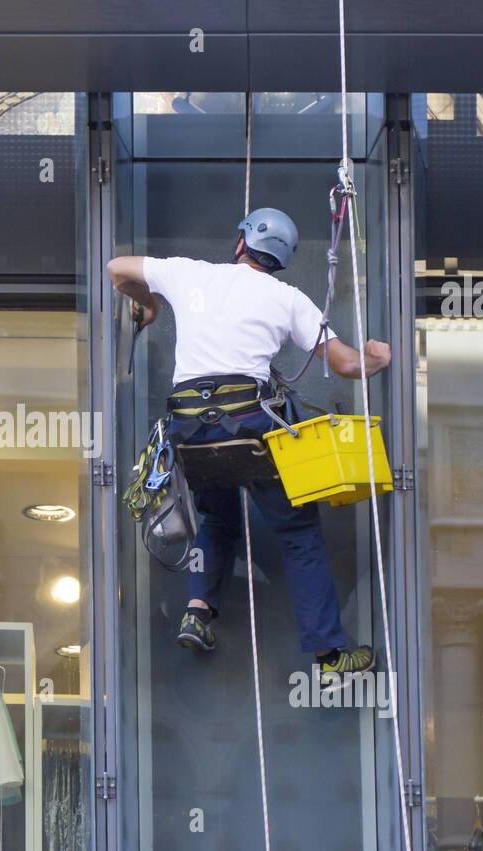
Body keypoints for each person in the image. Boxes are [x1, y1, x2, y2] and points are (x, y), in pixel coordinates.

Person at [106, 206, 390, 681]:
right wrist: (377, 356)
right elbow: (346, 364)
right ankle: (329, 658)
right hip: (248, 429)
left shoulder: (187, 272)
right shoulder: (289, 298)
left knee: (216, 516)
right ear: (280, 258)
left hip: (189, 434)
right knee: (298, 534)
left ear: (243, 241)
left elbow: (117, 269)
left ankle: (197, 613)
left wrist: (149, 305)